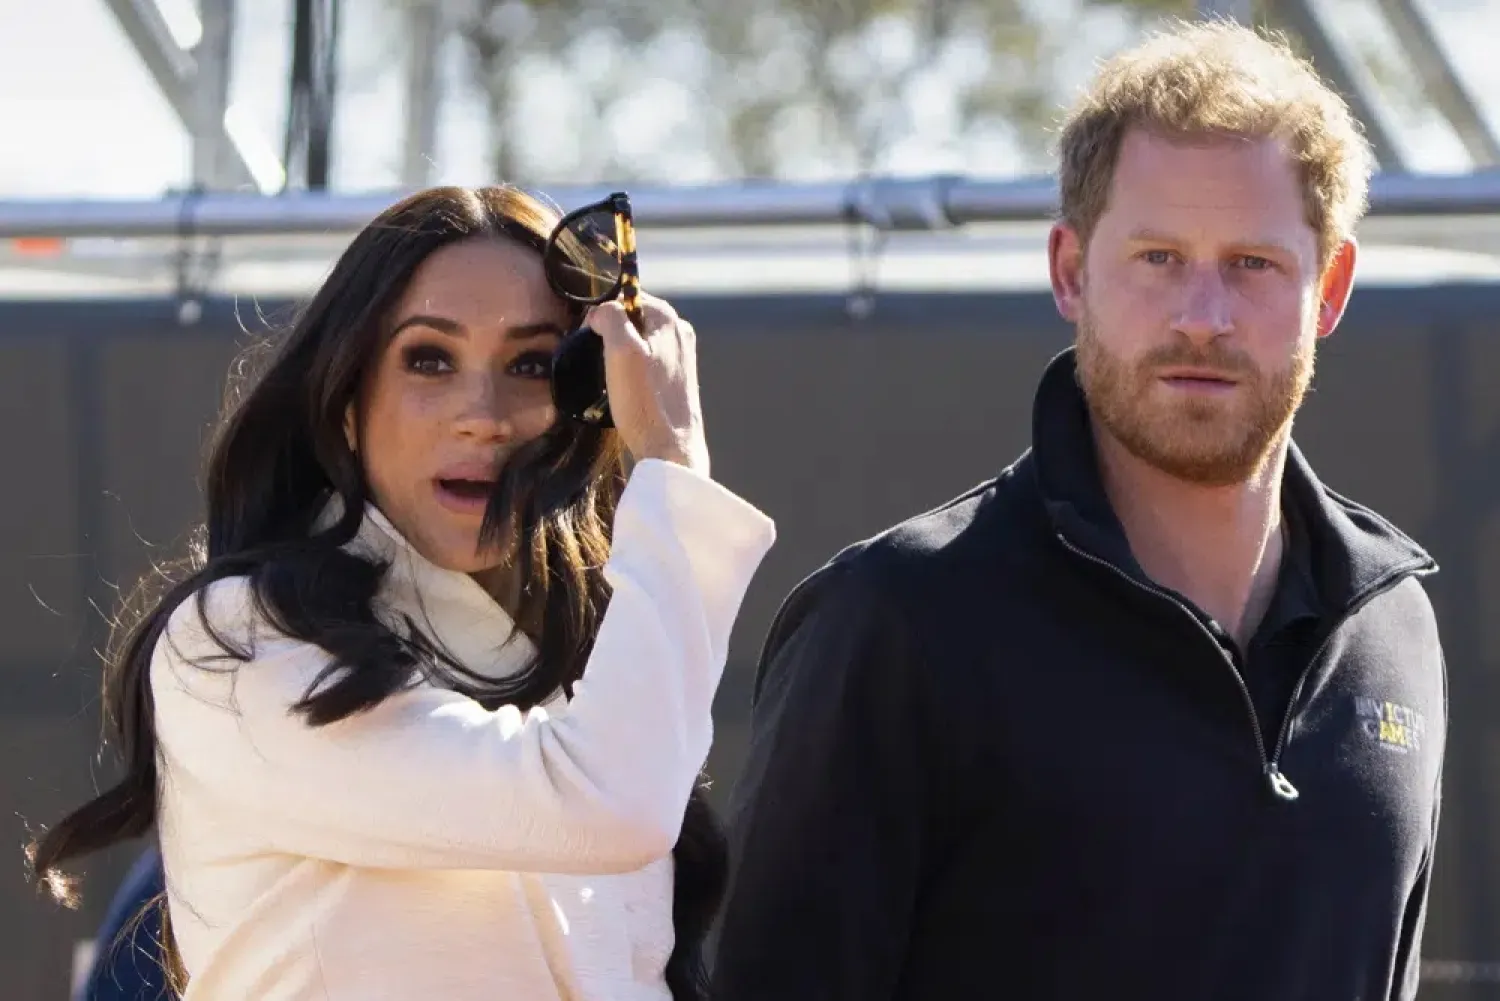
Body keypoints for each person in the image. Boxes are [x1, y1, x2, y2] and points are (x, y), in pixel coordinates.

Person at [712, 19, 1445, 1001]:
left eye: (1252, 263)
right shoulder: (896, 623)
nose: (1202, 315)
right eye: (1157, 257)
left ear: (1331, 287)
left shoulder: (1394, 632)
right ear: (1069, 269)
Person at [29, 184, 776, 1001]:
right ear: (347, 402)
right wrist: (670, 466)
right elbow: (606, 802)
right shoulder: (242, 639)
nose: (482, 415)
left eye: (531, 363)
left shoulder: (595, 676)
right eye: (429, 359)